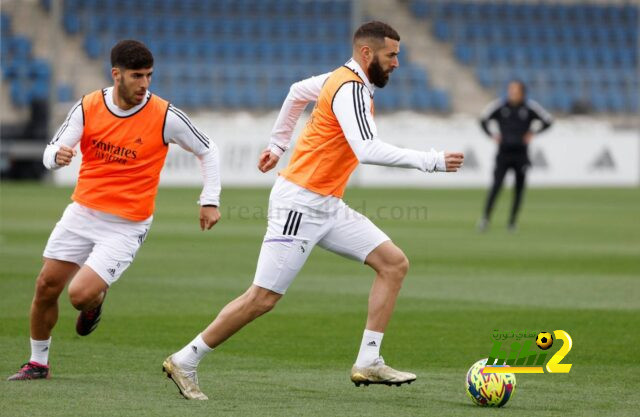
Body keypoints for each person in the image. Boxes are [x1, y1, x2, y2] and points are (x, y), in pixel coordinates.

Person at [162, 21, 464, 400]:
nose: (397, 63)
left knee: (393, 264)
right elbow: (367, 149)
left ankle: (369, 360)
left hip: (326, 203)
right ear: (366, 53)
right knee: (262, 298)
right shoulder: (349, 88)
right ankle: (185, 359)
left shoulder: (338, 80)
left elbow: (294, 93)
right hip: (300, 204)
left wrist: (277, 144)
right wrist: (431, 161)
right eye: (392, 55)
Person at [7, 40, 222, 381]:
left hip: (126, 225)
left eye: (149, 76)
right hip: (83, 213)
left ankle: (95, 300)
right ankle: (38, 363)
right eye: (137, 76)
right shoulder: (88, 106)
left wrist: (209, 199)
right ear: (116, 74)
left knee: (79, 295)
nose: (145, 84)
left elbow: (207, 150)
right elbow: (53, 148)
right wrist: (56, 157)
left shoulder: (164, 115)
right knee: (46, 285)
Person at [477, 80, 553, 232]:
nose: (511, 92)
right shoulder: (500, 106)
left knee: (519, 189)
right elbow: (483, 119)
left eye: (515, 90)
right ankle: (485, 219)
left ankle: (512, 222)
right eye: (510, 89)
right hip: (503, 153)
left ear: (522, 92)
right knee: (496, 186)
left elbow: (548, 121)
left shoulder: (529, 107)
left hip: (521, 155)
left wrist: (533, 133)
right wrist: (492, 135)